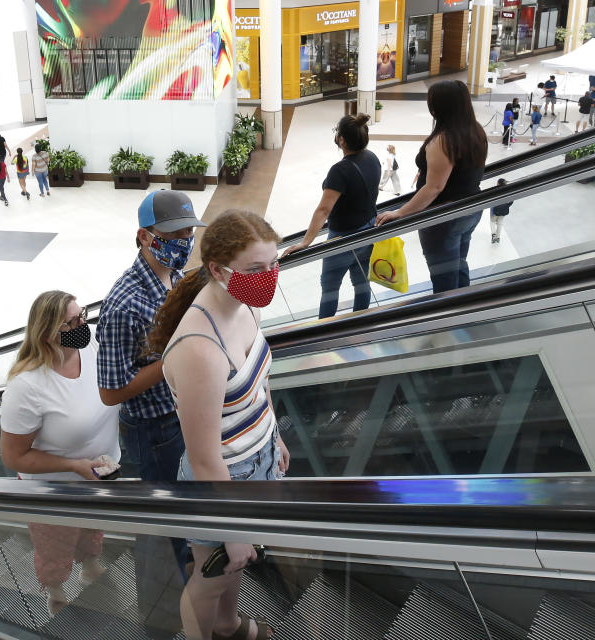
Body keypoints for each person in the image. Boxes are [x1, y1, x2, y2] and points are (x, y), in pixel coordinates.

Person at [147, 211, 289, 640]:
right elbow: (206, 457)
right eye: (255, 268)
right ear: (217, 270)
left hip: (256, 461)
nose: (269, 277)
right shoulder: (199, 350)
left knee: (232, 571)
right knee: (211, 581)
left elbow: (259, 385)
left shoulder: (244, 305)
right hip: (223, 480)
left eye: (274, 264)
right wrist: (235, 530)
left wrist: (274, 437)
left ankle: (228, 626)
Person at [96, 190, 204, 576]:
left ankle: (191, 577)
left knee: (185, 508)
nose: (183, 243)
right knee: (162, 526)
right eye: (174, 235)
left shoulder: (176, 277)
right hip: (151, 431)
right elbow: (110, 392)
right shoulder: (123, 305)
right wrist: (175, 355)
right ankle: (164, 609)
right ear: (144, 236)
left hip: (180, 415)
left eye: (188, 233)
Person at [0, 290, 120, 615]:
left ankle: (91, 566)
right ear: (48, 333)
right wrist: (74, 465)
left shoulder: (90, 347)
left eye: (82, 315)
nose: (83, 324)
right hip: (53, 489)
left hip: (97, 475)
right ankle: (55, 591)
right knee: (55, 544)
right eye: (72, 322)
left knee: (93, 526)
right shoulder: (27, 387)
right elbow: (13, 456)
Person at [376, 80, 488, 294]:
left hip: (444, 217)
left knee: (443, 275)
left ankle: (445, 319)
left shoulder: (444, 141)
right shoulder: (475, 131)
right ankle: (464, 306)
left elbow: (434, 187)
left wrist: (400, 212)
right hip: (471, 207)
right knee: (459, 263)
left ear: (440, 107)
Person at [282, 114, 380, 319]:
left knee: (330, 287)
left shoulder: (340, 170)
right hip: (368, 230)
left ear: (342, 140)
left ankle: (324, 329)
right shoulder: (372, 158)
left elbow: (324, 210)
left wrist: (306, 242)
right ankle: (361, 321)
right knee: (362, 281)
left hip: (342, 238)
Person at [489, 178, 512, 245]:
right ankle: (498, 237)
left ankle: (493, 234)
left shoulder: (496, 190)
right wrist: (507, 206)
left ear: (498, 183)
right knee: (500, 223)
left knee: (492, 222)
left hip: (495, 210)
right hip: (504, 211)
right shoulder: (509, 190)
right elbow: (512, 200)